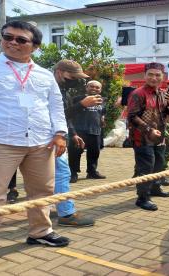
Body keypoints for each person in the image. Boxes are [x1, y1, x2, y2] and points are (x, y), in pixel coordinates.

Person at [0, 21, 70, 273]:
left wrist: (60, 133)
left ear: (36, 47)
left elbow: (55, 106)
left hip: (41, 142)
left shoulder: (44, 75)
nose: (12, 42)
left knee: (43, 190)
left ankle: (40, 232)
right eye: (7, 37)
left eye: (21, 40)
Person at [52, 59, 96, 227]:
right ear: (60, 72)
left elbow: (63, 118)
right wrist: (82, 105)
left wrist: (73, 134)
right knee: (63, 173)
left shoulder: (64, 90)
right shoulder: (48, 88)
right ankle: (66, 214)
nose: (77, 80)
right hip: (47, 138)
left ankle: (58, 206)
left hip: (57, 136)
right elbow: (55, 116)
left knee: (52, 177)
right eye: (73, 76)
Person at [127, 62, 169, 211]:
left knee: (159, 165)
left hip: (159, 137)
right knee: (145, 168)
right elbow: (132, 116)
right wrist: (149, 130)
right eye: (151, 74)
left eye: (157, 75)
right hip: (142, 137)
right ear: (145, 76)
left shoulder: (162, 94)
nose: (154, 78)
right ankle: (142, 198)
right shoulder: (138, 93)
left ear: (163, 77)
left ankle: (155, 189)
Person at [68, 80, 107, 182]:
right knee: (75, 153)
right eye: (91, 86)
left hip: (95, 130)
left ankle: (92, 172)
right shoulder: (78, 99)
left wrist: (102, 119)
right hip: (80, 130)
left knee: (94, 153)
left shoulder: (102, 100)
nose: (94, 89)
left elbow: (102, 112)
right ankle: (73, 173)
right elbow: (70, 114)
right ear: (86, 88)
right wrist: (72, 131)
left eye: (97, 87)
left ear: (101, 89)